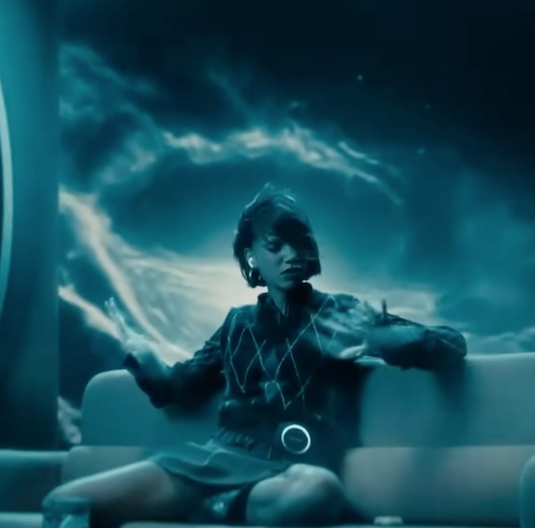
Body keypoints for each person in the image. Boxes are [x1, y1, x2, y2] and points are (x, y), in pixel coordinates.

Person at [46, 184, 467, 527]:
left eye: (299, 244)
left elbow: (451, 346)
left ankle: (210, 512)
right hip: (213, 461)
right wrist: (149, 363)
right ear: (252, 257)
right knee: (65, 502)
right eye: (276, 245)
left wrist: (382, 337)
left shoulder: (342, 311)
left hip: (293, 470)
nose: (291, 255)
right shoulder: (237, 323)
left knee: (316, 490)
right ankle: (211, 506)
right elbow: (180, 389)